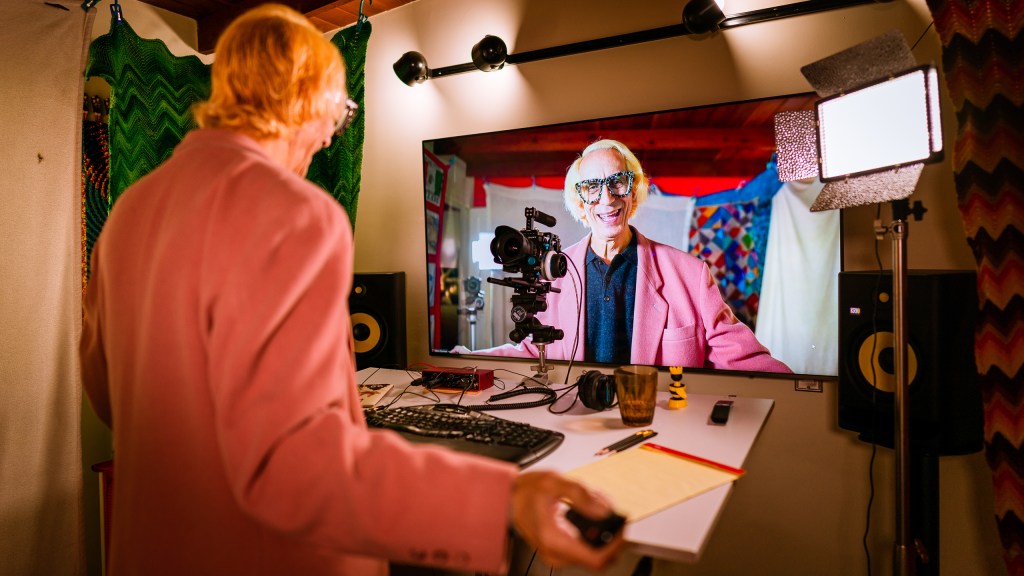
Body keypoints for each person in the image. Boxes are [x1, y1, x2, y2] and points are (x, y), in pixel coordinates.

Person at [79, 6, 622, 575]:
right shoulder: (295, 212)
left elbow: (109, 395)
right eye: (339, 114)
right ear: (307, 101)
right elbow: (297, 467)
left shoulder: (129, 214)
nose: (325, 138)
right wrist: (505, 499)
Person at [463, 139, 791, 373]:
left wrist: (799, 395)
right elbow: (534, 349)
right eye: (592, 187)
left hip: (656, 428)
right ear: (580, 203)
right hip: (576, 422)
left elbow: (745, 361)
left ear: (632, 194)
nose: (607, 198)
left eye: (618, 182)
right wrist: (463, 360)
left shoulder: (690, 274)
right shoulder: (556, 272)